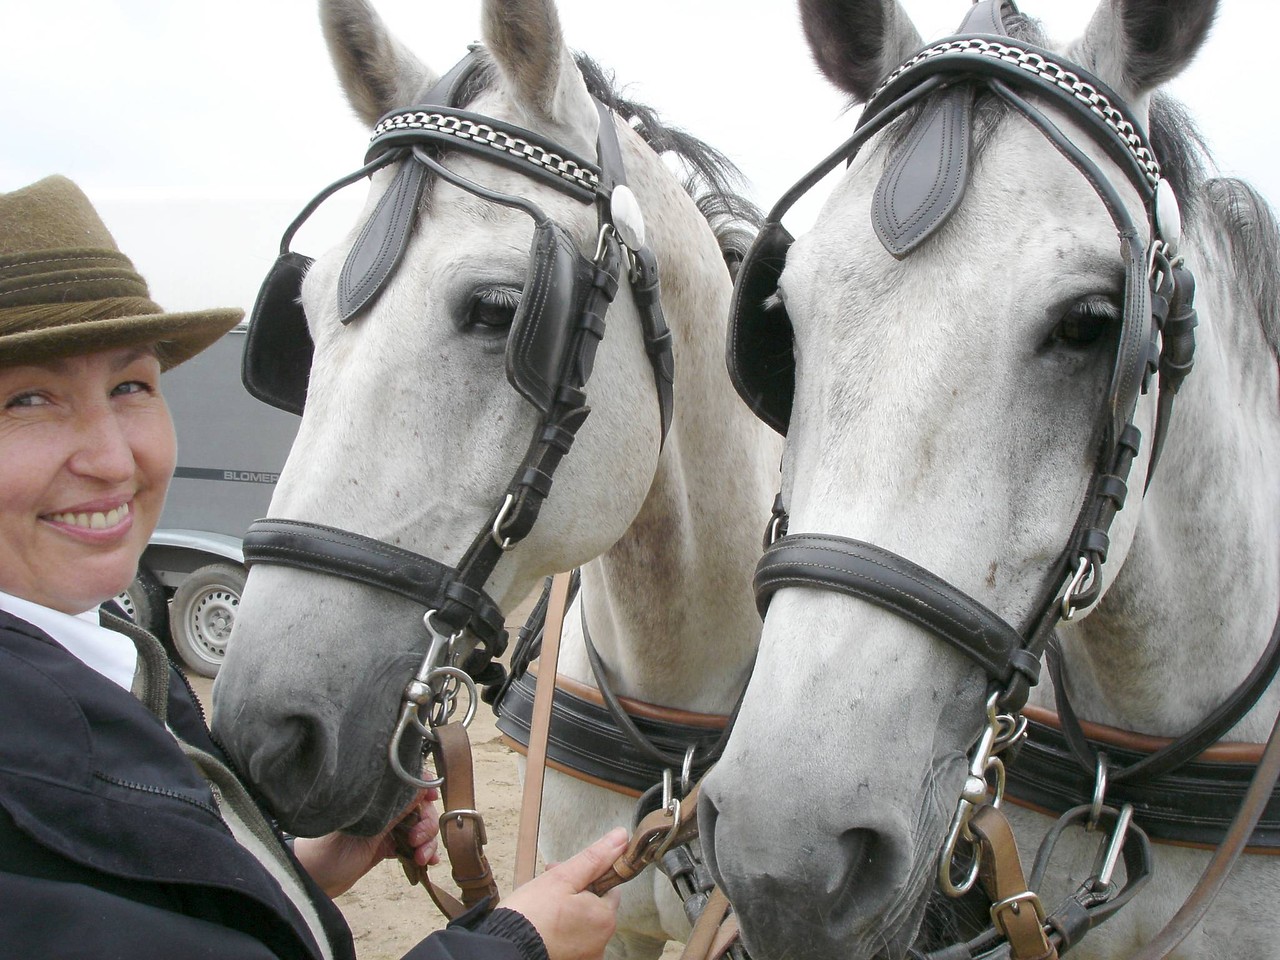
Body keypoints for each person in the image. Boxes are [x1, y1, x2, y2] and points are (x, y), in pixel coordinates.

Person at [0, 175, 626, 960]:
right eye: (28, 401)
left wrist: (294, 870)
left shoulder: (107, 653)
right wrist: (516, 946)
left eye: (130, 386)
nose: (111, 457)